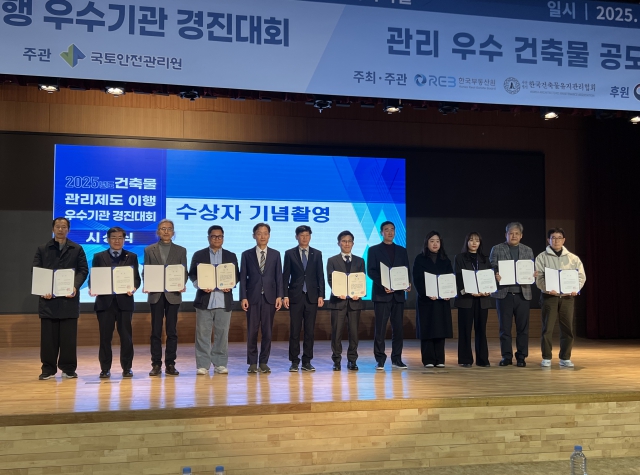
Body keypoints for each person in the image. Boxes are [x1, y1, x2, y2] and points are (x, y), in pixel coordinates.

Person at [33, 217, 88, 380]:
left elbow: (83, 270)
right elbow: (36, 270)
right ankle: (48, 369)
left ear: (68, 230)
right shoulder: (43, 249)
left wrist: (75, 286)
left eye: (64, 227)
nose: (60, 229)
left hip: (68, 300)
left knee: (68, 338)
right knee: (48, 339)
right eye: (57, 226)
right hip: (48, 300)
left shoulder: (77, 249)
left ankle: (68, 369)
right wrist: (43, 288)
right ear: (53, 229)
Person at [90, 227, 141, 379]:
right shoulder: (99, 257)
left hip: (124, 302)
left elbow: (136, 278)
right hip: (105, 303)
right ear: (108, 239)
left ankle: (127, 368)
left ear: (124, 240)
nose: (117, 240)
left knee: (126, 337)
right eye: (113, 237)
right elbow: (93, 277)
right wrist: (93, 287)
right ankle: (105, 369)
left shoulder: (131, 256)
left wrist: (134, 287)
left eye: (120, 237)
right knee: (105, 338)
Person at [188, 225, 239, 375]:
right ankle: (203, 365)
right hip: (205, 300)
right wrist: (199, 284)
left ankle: (220, 364)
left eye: (219, 236)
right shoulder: (199, 255)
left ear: (223, 238)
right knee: (202, 334)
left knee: (222, 335)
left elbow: (236, 275)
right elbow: (192, 274)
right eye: (213, 236)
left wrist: (231, 284)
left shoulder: (231, 256)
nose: (217, 239)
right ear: (208, 237)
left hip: (224, 300)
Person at [535, 228, 586, 368]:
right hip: (549, 297)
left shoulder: (573, 258)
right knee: (547, 328)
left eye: (559, 238)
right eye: (553, 237)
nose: (556, 240)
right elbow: (539, 278)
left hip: (567, 297)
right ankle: (546, 357)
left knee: (567, 328)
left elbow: (581, 276)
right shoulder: (541, 257)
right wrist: (547, 288)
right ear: (548, 240)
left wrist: (576, 288)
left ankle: (565, 357)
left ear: (564, 240)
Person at [143, 219, 187, 377]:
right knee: (155, 331)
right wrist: (147, 283)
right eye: (163, 228)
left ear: (173, 232)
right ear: (158, 232)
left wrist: (181, 283)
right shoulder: (149, 250)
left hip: (173, 295)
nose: (166, 231)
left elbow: (183, 272)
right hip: (155, 294)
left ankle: (170, 363)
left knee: (171, 331)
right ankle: (156, 364)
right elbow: (146, 271)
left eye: (169, 228)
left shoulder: (181, 250)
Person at [489, 222, 537, 367]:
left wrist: (533, 274)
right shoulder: (497, 248)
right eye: (511, 233)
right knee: (505, 328)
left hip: (523, 294)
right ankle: (506, 356)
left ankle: (521, 357)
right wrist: (495, 274)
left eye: (517, 233)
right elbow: (491, 267)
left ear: (521, 235)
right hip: (504, 294)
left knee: (523, 328)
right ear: (506, 234)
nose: (514, 236)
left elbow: (532, 268)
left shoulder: (528, 250)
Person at [240, 223, 283, 374]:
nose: (262, 236)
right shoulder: (246, 254)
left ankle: (264, 362)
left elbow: (279, 277)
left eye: (265, 233)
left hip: (270, 298)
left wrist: (279, 296)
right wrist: (243, 297)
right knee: (252, 331)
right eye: (259, 233)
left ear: (269, 236)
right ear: (254, 236)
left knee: (267, 332)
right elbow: (243, 278)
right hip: (252, 298)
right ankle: (252, 363)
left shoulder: (275, 254)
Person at [367, 221, 411, 370]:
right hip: (381, 295)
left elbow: (406, 269)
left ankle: (397, 359)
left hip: (398, 295)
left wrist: (408, 283)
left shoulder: (402, 250)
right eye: (386, 230)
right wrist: (383, 284)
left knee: (398, 329)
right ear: (381, 232)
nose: (390, 232)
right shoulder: (373, 250)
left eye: (392, 229)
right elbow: (371, 271)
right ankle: (380, 359)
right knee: (380, 329)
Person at [283, 225, 325, 372]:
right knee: (295, 330)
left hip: (312, 297)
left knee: (309, 331)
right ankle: (294, 361)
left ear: (310, 237)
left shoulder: (317, 254)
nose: (305, 238)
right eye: (302, 235)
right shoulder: (289, 253)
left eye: (307, 235)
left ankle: (307, 361)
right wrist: (285, 295)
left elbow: (320, 275)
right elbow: (285, 276)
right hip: (295, 296)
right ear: (297, 237)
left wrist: (321, 295)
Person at [326, 231, 365, 371]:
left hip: (354, 302)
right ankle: (336, 361)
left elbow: (361, 279)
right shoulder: (332, 260)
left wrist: (359, 293)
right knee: (336, 332)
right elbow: (330, 279)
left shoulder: (360, 261)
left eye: (349, 241)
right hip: (338, 302)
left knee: (354, 333)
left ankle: (352, 360)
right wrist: (338, 292)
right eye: (344, 241)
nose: (347, 244)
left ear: (353, 244)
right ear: (339, 243)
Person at [412, 231, 453, 368]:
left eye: (437, 241)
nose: (435, 244)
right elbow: (417, 279)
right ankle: (428, 359)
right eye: (432, 241)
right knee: (427, 329)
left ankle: (440, 359)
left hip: (441, 300)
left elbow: (450, 279)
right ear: (426, 243)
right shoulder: (420, 259)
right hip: (426, 300)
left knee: (440, 329)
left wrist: (448, 292)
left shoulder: (445, 260)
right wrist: (426, 293)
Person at [453, 232, 492, 368]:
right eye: (471, 240)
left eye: (477, 240)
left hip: (483, 299)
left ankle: (483, 360)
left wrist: (488, 289)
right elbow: (458, 278)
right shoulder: (460, 258)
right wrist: (468, 291)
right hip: (466, 299)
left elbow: (489, 278)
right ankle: (465, 359)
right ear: (467, 242)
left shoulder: (485, 259)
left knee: (481, 330)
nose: (474, 243)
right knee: (465, 330)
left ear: (480, 243)